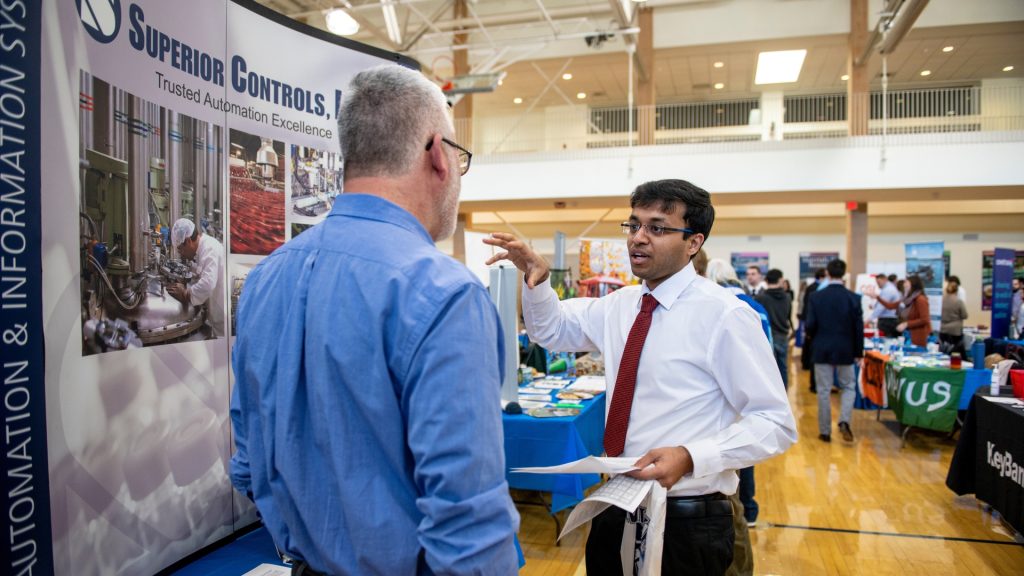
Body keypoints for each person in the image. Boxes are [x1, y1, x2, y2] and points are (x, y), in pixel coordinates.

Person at [229, 65, 519, 575]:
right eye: (459, 155)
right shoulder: (444, 293)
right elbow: (468, 524)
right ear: (437, 155)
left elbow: (249, 465)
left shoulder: (265, 280)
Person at [485, 179, 796, 576]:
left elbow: (774, 423)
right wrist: (538, 279)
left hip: (691, 517)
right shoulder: (621, 305)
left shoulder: (725, 315)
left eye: (658, 227)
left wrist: (689, 457)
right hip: (617, 503)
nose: (639, 238)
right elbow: (553, 331)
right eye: (633, 225)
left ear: (694, 242)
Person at [705, 257, 772, 558]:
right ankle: (751, 507)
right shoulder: (754, 306)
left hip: (719, 402)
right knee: (744, 453)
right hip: (749, 394)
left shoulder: (717, 307)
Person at [805, 259, 862, 443]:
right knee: (848, 386)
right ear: (844, 274)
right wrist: (858, 352)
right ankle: (844, 420)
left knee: (823, 390)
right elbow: (858, 328)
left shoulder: (816, 297)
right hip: (846, 348)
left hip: (822, 347)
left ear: (828, 274)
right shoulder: (854, 298)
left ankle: (825, 432)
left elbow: (810, 325)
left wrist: (814, 338)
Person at [168, 218, 225, 338]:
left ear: (188, 241)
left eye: (180, 249)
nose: (181, 254)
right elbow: (200, 272)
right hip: (215, 318)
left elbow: (208, 284)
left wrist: (185, 294)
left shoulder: (210, 249)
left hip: (223, 323)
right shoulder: (202, 250)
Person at [756, 269, 793, 389]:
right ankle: (785, 398)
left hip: (767, 337)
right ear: (781, 280)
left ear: (766, 280)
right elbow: (788, 316)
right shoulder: (787, 297)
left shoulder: (760, 298)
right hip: (782, 336)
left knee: (768, 370)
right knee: (783, 368)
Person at [799, 268, 827, 393]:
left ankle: (815, 383)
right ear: (822, 276)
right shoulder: (814, 289)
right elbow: (809, 308)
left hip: (814, 327)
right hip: (815, 327)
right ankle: (814, 384)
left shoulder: (812, 288)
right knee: (814, 356)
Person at [897, 275, 931, 347]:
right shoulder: (909, 300)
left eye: (906, 282)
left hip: (919, 336)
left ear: (913, 284)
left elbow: (925, 319)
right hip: (910, 335)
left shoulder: (920, 299)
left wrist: (907, 324)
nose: (904, 285)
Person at [940, 275, 968, 356]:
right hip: (955, 331)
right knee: (956, 352)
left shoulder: (942, 300)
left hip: (943, 329)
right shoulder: (958, 301)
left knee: (944, 351)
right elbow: (965, 315)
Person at [869, 273, 901, 338]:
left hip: (888, 321)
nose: (878, 285)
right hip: (888, 320)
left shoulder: (888, 290)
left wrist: (870, 319)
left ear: (884, 279)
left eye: (879, 282)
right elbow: (882, 303)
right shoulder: (887, 289)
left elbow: (881, 307)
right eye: (877, 283)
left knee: (887, 342)